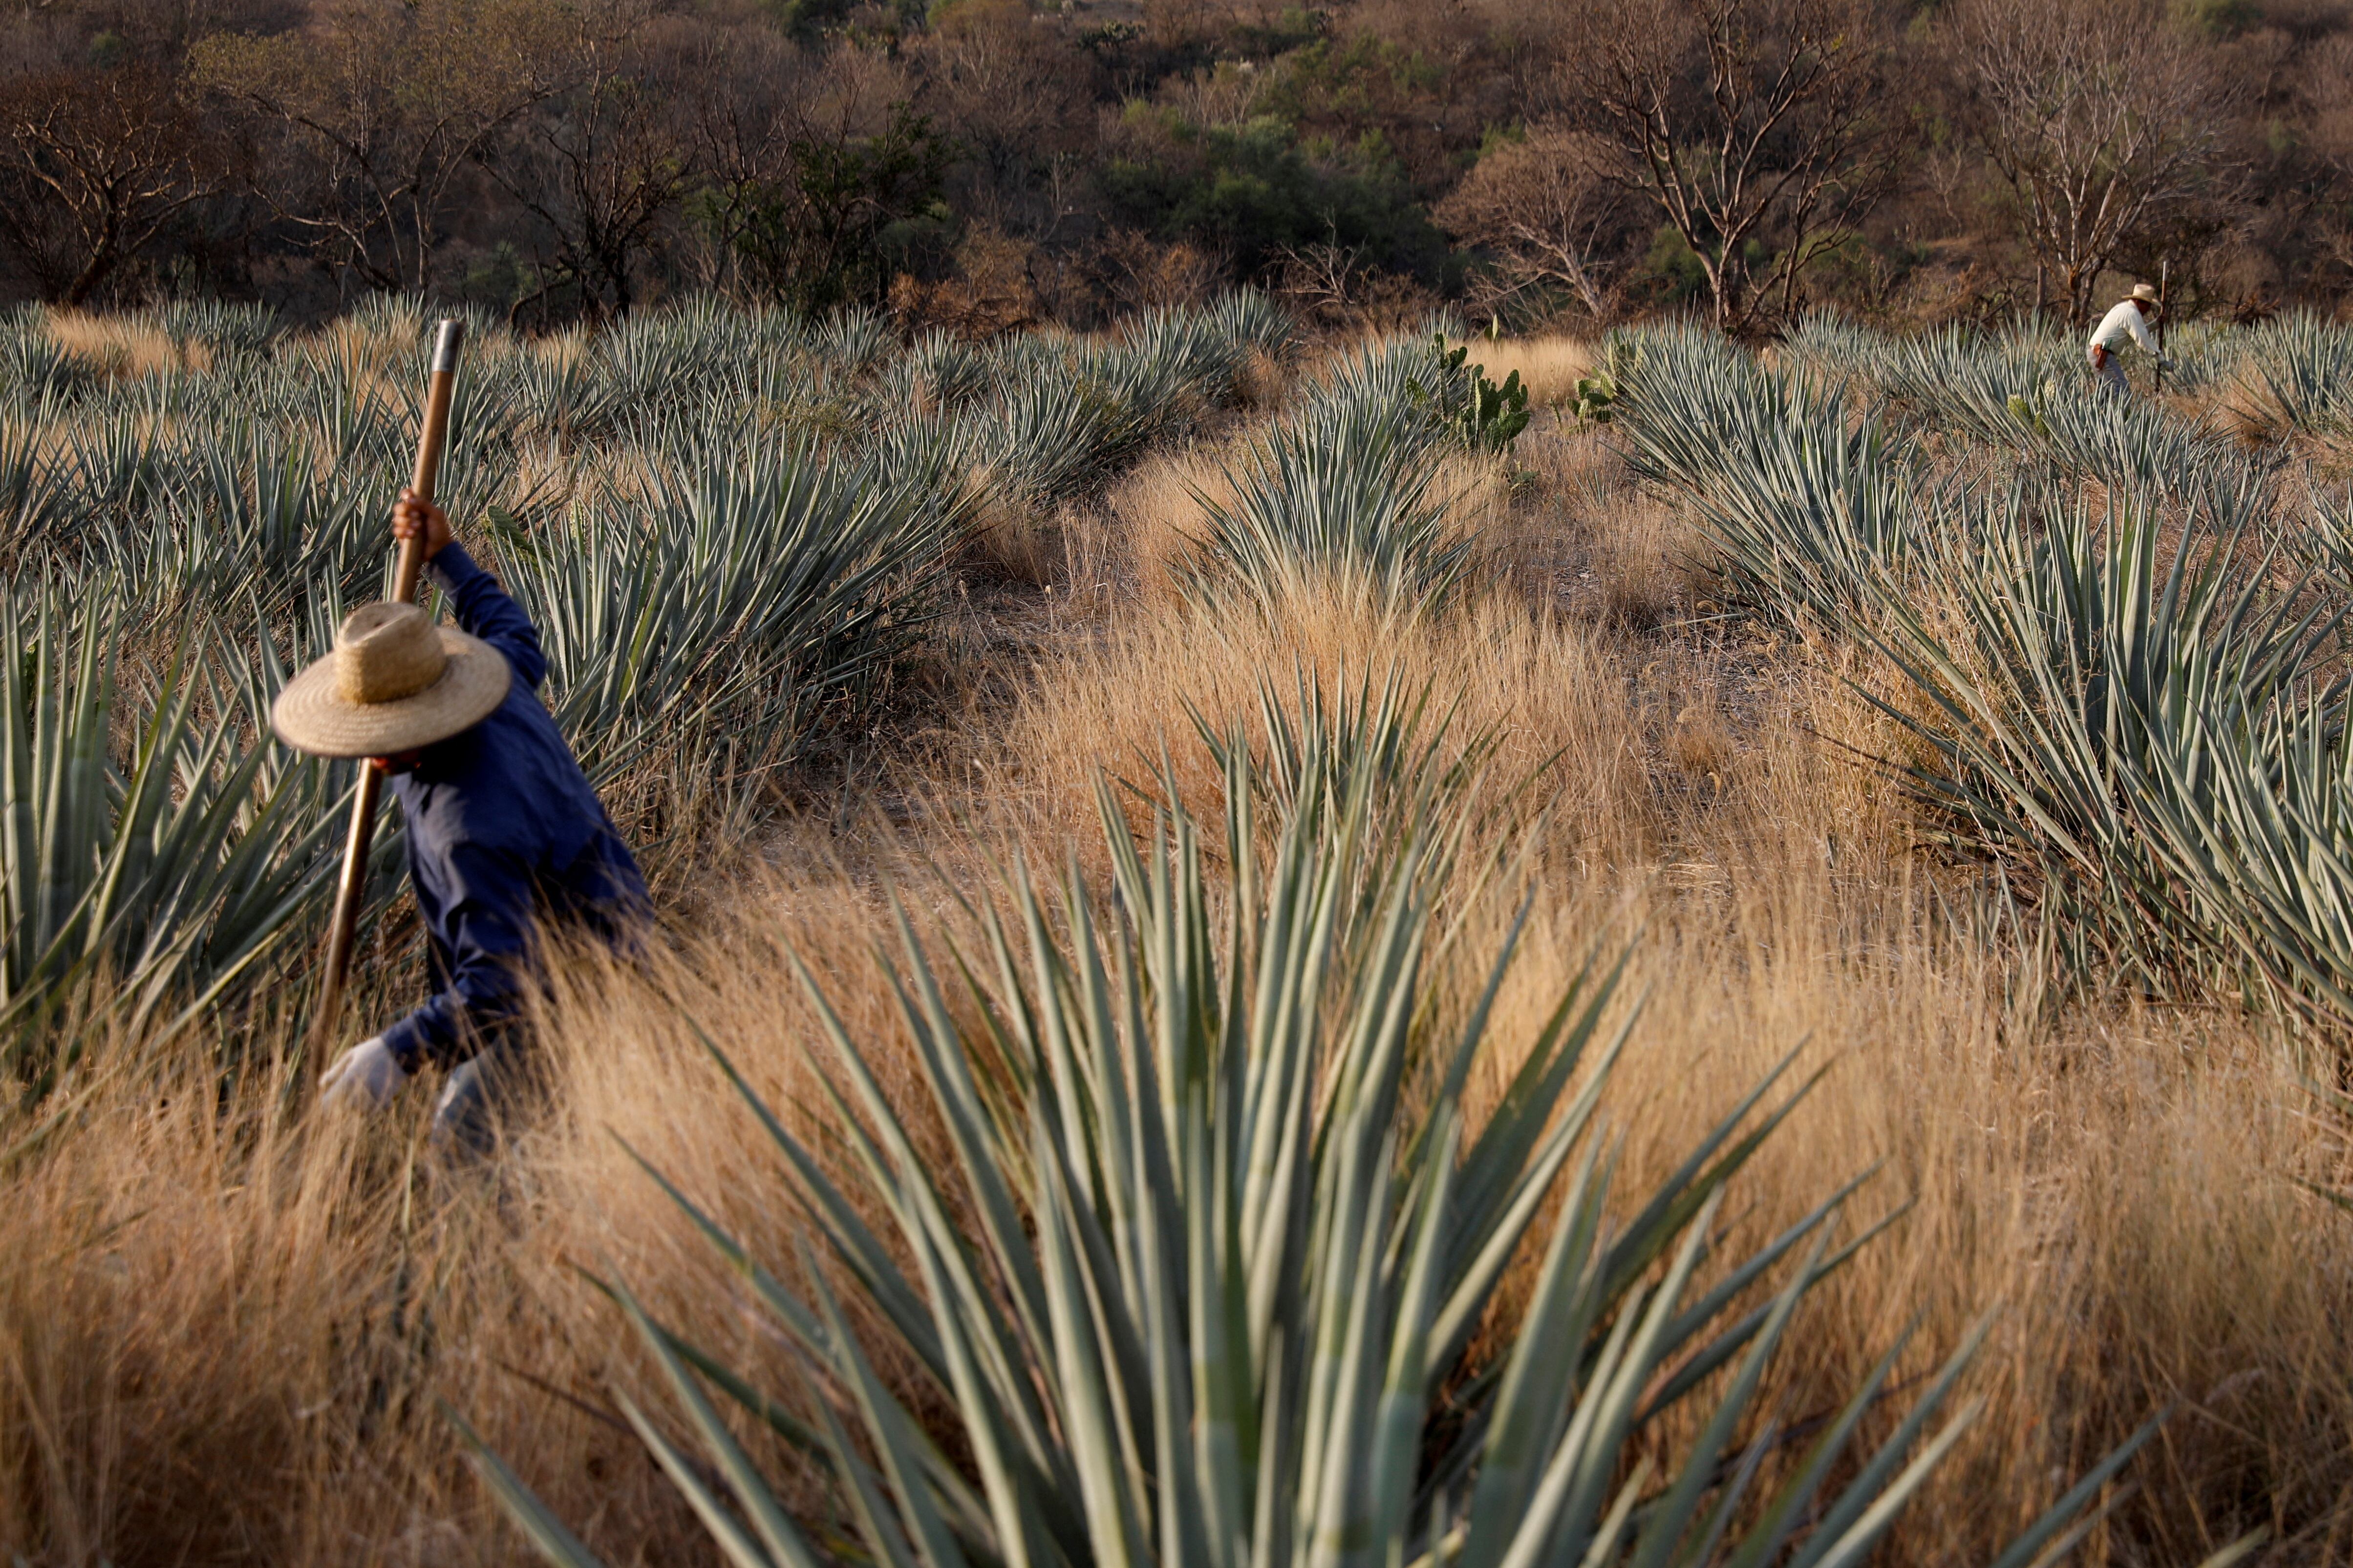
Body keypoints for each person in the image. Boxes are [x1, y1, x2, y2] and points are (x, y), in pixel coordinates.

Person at [271, 489, 649, 1148]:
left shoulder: (466, 826)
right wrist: (448, 556)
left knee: (464, 1147)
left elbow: (499, 983)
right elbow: (514, 635)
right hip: (617, 928)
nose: (369, 749)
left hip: (568, 986)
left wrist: (397, 1049)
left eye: (379, 732)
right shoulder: (499, 688)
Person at [2086, 283, 2176, 397]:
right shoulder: (2132, 314)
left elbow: (2137, 332)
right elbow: (2142, 340)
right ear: (2139, 302)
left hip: (2096, 352)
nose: (2148, 309)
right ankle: (2119, 409)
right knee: (2121, 388)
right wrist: (2162, 361)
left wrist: (2156, 324)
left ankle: (2103, 408)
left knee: (2107, 391)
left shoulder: (2123, 308)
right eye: (2148, 305)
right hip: (2102, 355)